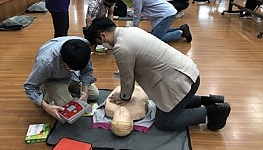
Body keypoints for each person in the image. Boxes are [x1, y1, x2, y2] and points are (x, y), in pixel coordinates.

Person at [85, 17, 231, 132]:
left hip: (181, 81)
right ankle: (210, 101)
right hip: (187, 72)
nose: (102, 45)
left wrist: (124, 97)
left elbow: (127, 78)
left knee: (164, 122)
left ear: (103, 36)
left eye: (99, 42)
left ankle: (214, 110)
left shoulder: (121, 47)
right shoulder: (130, 30)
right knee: (167, 106)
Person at [23, 37, 99, 122]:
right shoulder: (45, 61)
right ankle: (45, 91)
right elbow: (30, 87)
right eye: (69, 67)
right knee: (65, 109)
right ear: (62, 60)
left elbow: (87, 71)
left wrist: (85, 93)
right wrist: (47, 107)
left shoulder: (83, 48)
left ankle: (62, 92)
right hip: (54, 80)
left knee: (94, 95)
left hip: (74, 76)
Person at [116, 0, 192, 43]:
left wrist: (133, 28)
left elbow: (137, 14)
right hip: (165, 12)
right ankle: (181, 28)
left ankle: (181, 33)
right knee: (154, 33)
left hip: (166, 14)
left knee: (156, 39)